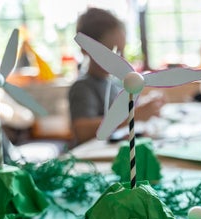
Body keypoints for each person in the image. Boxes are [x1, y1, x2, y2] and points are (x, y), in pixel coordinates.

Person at [69, 8, 165, 145]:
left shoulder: (113, 82)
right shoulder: (83, 87)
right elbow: (82, 131)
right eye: (114, 52)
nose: (122, 59)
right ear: (86, 49)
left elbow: (123, 109)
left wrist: (147, 105)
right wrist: (133, 115)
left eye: (122, 51)